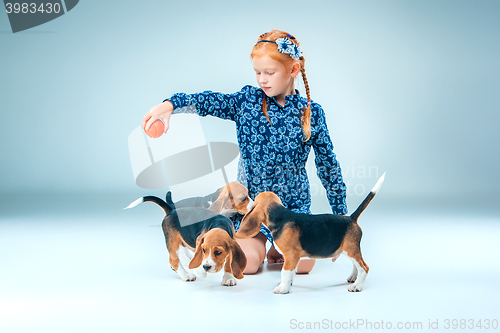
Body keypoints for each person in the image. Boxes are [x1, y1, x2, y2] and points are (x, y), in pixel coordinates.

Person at [142, 30, 348, 274]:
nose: (262, 79)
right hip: (251, 213)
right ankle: (261, 244)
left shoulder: (311, 112)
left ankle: (277, 247)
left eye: (270, 72)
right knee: (247, 265)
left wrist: (340, 218)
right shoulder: (246, 102)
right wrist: (171, 105)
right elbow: (210, 101)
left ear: (293, 70)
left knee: (302, 267)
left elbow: (328, 166)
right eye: (258, 72)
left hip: (294, 214)